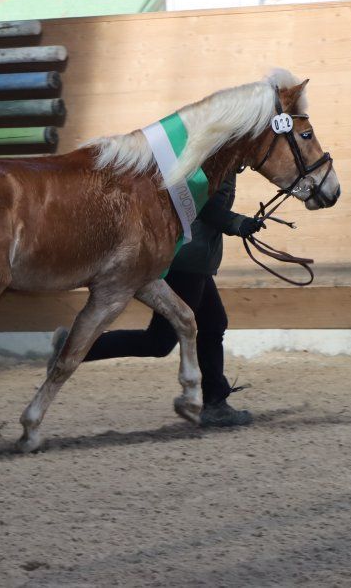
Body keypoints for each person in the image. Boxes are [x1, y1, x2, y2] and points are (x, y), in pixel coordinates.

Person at [53, 172, 264, 427]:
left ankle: (215, 401)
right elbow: (199, 203)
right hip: (187, 259)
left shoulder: (226, 160)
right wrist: (236, 222)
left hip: (194, 258)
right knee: (160, 341)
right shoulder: (216, 156)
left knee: (213, 323)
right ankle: (75, 346)